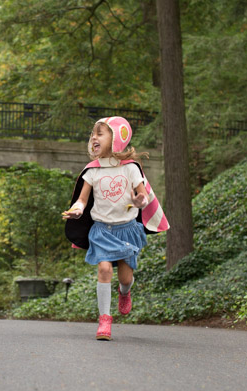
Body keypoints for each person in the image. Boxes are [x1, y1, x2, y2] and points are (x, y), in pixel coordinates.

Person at [63, 117, 169, 340]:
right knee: (104, 270)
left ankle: (125, 292)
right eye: (93, 134)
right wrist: (77, 209)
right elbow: (82, 200)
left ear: (117, 139)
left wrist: (140, 202)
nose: (94, 137)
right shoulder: (92, 171)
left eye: (100, 133)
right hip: (101, 230)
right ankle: (104, 321)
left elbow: (143, 195)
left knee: (125, 277)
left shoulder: (130, 168)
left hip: (126, 230)